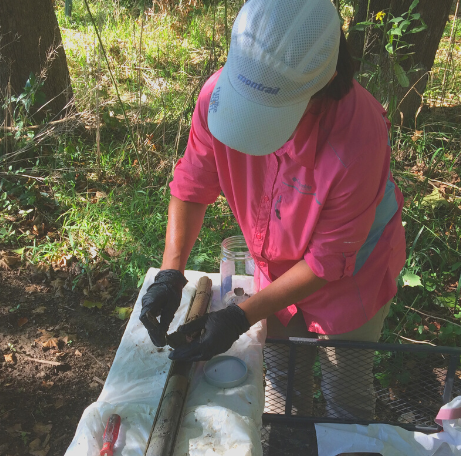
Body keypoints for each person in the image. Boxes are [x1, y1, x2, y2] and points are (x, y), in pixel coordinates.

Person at [135, 0, 406, 421]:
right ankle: (286, 448)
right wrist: (172, 273)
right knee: (279, 373)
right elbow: (190, 187)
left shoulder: (358, 139)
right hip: (276, 263)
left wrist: (237, 317)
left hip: (355, 270)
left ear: (325, 81)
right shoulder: (219, 97)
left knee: (346, 388)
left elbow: (328, 260)